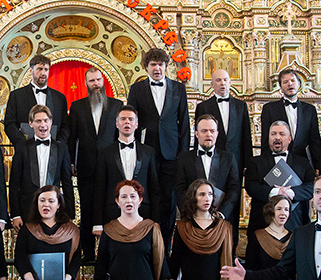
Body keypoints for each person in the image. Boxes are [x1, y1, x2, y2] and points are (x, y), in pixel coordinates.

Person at [126, 48, 190, 247]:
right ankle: (145, 241)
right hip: (146, 153)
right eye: (153, 65)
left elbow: (185, 123)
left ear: (166, 66)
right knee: (146, 195)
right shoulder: (137, 89)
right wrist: (134, 151)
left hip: (172, 154)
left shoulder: (178, 89)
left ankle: (166, 245)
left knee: (169, 200)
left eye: (161, 65)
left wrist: (183, 155)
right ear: (146, 67)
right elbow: (132, 122)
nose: (157, 69)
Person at [67, 67, 122, 260]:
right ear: (86, 84)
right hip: (86, 166)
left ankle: (110, 253)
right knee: (87, 210)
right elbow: (72, 138)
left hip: (110, 167)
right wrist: (71, 163)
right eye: (92, 81)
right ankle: (88, 254)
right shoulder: (77, 106)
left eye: (98, 80)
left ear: (103, 81)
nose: (96, 84)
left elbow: (118, 138)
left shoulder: (117, 105)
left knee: (111, 208)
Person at [193, 68, 252, 234]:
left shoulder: (241, 106)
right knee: (208, 201)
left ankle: (231, 243)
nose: (222, 83)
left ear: (230, 82)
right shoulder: (203, 106)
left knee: (232, 202)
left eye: (225, 80)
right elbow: (198, 136)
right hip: (210, 161)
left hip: (235, 163)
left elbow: (246, 136)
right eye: (218, 80)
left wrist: (247, 164)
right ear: (212, 84)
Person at [92, 105, 161, 231]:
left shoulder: (148, 152)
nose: (127, 122)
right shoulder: (105, 152)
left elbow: (154, 188)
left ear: (136, 124)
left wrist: (156, 221)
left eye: (131, 119)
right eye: (123, 119)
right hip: (113, 212)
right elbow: (99, 188)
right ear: (117, 124)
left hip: (143, 212)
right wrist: (97, 223)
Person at [245, 121, 315, 240]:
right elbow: (251, 186)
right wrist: (276, 192)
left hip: (295, 226)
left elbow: (312, 187)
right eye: (273, 134)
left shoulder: (302, 163)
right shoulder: (255, 162)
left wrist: (291, 193)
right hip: (262, 225)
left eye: (282, 134)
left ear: (289, 139)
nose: (277, 137)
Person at [9, 104, 75, 229]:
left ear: (51, 122)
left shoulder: (61, 149)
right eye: (38, 121)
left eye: (45, 120)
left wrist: (70, 215)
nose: (42, 125)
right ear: (31, 123)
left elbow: (67, 183)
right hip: (27, 210)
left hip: (54, 211)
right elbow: (14, 184)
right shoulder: (22, 148)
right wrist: (15, 215)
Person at [173, 114, 240, 224]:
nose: (208, 134)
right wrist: (191, 214)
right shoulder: (184, 158)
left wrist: (221, 214)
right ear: (196, 134)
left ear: (217, 134)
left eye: (212, 131)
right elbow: (179, 189)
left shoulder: (229, 158)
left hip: (221, 221)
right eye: (204, 131)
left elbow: (234, 189)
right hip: (192, 219)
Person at [4, 54, 69, 148]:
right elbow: (10, 124)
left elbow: (65, 126)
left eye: (46, 69)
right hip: (25, 151)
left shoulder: (60, 98)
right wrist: (23, 145)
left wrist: (58, 145)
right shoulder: (16, 96)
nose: (43, 73)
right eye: (39, 69)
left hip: (53, 151)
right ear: (31, 71)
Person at [260, 69, 321, 168]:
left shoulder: (310, 110)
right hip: (277, 162)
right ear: (280, 87)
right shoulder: (269, 109)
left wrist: (318, 166)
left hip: (302, 163)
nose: (290, 84)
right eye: (285, 82)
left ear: (299, 84)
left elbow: (315, 141)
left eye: (293, 80)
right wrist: (265, 166)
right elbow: (266, 140)